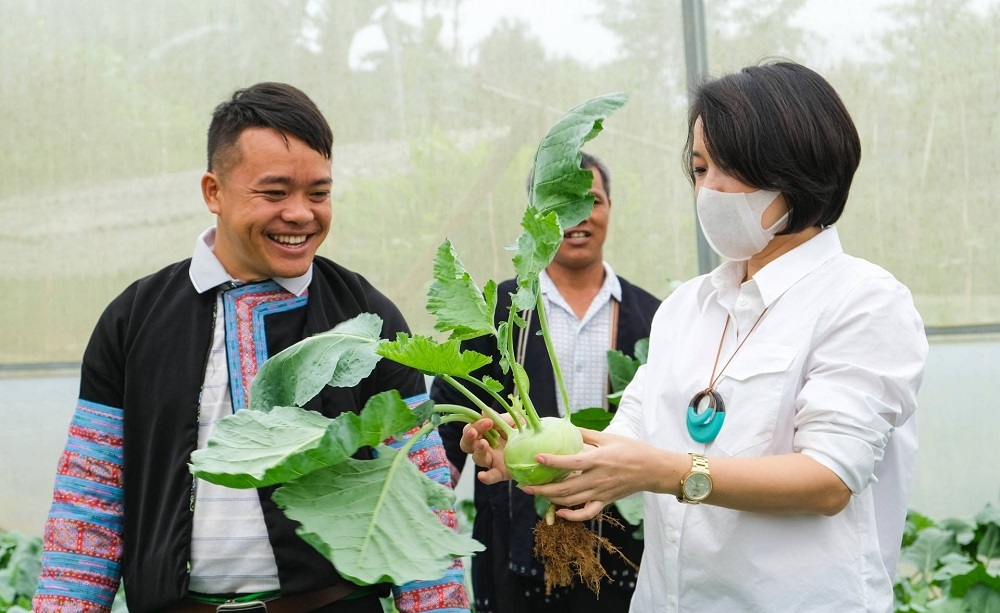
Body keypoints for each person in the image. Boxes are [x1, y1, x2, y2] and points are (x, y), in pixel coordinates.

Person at [461, 62, 928, 612]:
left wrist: (668, 472)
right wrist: (531, 445)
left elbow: (827, 479)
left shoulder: (864, 300)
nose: (706, 190)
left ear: (793, 170)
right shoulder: (688, 306)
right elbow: (628, 435)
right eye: (699, 168)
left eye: (725, 169)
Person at [33, 82, 469, 613]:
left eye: (318, 192)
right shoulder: (134, 319)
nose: (301, 214)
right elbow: (91, 499)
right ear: (213, 191)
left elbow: (418, 493)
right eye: (275, 192)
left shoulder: (364, 319)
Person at [433, 152, 661, 613]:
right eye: (562, 205)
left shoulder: (655, 317)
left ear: (610, 208)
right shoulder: (494, 314)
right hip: (517, 552)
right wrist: (464, 450)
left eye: (591, 201)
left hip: (623, 554)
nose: (578, 217)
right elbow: (446, 425)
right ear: (538, 217)